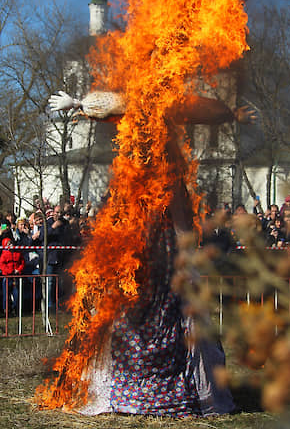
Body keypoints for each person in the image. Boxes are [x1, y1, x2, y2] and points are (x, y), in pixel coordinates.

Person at [44, 89, 255, 417]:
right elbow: (116, 104)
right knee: (125, 303)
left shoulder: (166, 137)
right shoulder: (135, 161)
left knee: (174, 306)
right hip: (137, 249)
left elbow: (197, 107)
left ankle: (177, 390)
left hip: (166, 253)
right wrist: (79, 104)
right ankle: (124, 388)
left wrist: (229, 113)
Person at [0, 237, 25, 315]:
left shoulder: (17, 253)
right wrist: (9, 271)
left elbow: (22, 262)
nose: (11, 245)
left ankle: (16, 309)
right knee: (6, 295)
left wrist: (18, 269)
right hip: (7, 277)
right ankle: (6, 310)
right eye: (8, 244)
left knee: (16, 294)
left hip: (15, 277)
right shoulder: (4, 255)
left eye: (11, 243)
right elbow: (2, 265)